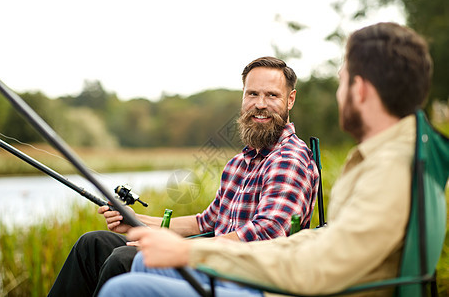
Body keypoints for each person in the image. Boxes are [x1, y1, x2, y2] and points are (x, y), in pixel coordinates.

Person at [98, 22, 434, 297]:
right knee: (126, 259)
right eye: (252, 94)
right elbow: (325, 242)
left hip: (273, 286)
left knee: (123, 286)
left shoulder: (387, 169)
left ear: (359, 90)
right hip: (268, 272)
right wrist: (146, 226)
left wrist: (192, 253)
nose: (338, 94)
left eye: (341, 83)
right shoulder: (389, 158)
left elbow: (314, 262)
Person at [48, 56, 320, 297]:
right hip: (211, 259)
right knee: (92, 244)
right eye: (252, 94)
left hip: (243, 275)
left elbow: (267, 233)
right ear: (243, 98)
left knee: (124, 258)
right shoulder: (240, 163)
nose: (260, 104)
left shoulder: (289, 159)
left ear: (290, 99)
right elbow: (205, 221)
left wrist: (180, 249)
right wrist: (135, 222)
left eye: (271, 95)